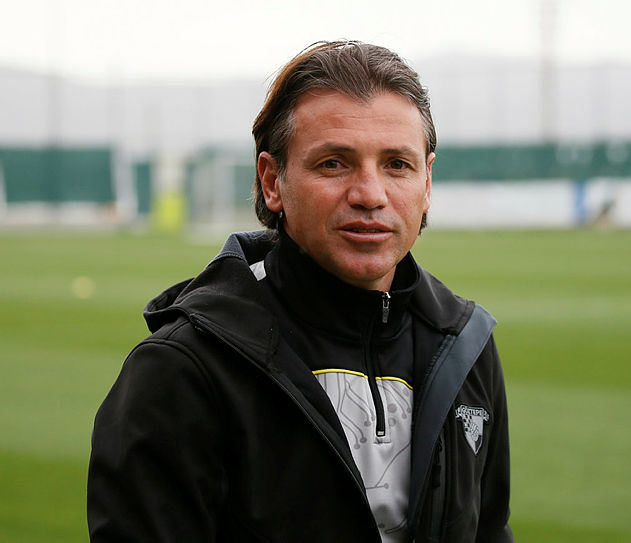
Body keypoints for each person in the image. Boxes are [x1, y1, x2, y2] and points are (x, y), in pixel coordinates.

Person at [88, 40, 512, 542]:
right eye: (334, 163)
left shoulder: (464, 347)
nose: (370, 194)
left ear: (427, 182)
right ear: (272, 182)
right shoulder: (184, 369)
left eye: (397, 164)